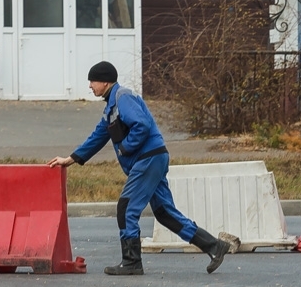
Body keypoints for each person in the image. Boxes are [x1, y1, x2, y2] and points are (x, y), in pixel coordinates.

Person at [48, 61, 239, 275]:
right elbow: (98, 137)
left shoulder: (123, 97)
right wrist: (71, 159)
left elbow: (142, 125)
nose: (90, 86)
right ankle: (214, 246)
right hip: (152, 159)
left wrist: (126, 149)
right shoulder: (111, 107)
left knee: (126, 207)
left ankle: (131, 262)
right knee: (164, 213)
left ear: (105, 81)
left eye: (92, 81)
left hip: (148, 159)